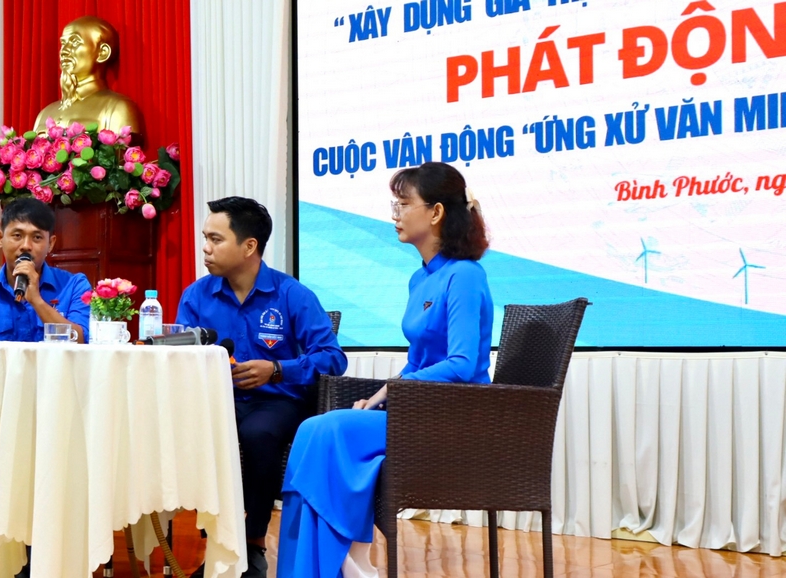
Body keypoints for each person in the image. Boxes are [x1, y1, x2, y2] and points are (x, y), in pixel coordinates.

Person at [276, 162, 494, 578]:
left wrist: (391, 390)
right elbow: (418, 360)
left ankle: (335, 562)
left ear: (435, 212)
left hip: (452, 418)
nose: (396, 214)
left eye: (404, 204)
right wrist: (380, 398)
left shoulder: (465, 275)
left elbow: (463, 364)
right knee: (314, 430)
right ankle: (332, 563)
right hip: (416, 410)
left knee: (327, 430)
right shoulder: (419, 279)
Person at [175, 196, 348, 578]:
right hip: (215, 402)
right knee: (183, 431)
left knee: (258, 434)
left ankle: (252, 544)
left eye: (216, 239)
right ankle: (216, 544)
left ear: (249, 246)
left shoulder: (292, 295)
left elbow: (333, 357)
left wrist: (278, 369)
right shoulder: (196, 296)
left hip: (276, 402)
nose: (205, 248)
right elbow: (179, 354)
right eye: (205, 238)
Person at [0, 197, 92, 389]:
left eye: (37, 237)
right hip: (3, 397)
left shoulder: (74, 285)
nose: (26, 246)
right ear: (0, 238)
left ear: (51, 244)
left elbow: (81, 342)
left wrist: (37, 301)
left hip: (62, 395)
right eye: (17, 235)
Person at [33, 15, 145, 138]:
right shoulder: (44, 114)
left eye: (75, 42)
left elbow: (123, 149)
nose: (64, 51)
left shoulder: (118, 109)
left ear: (102, 52)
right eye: (63, 44)